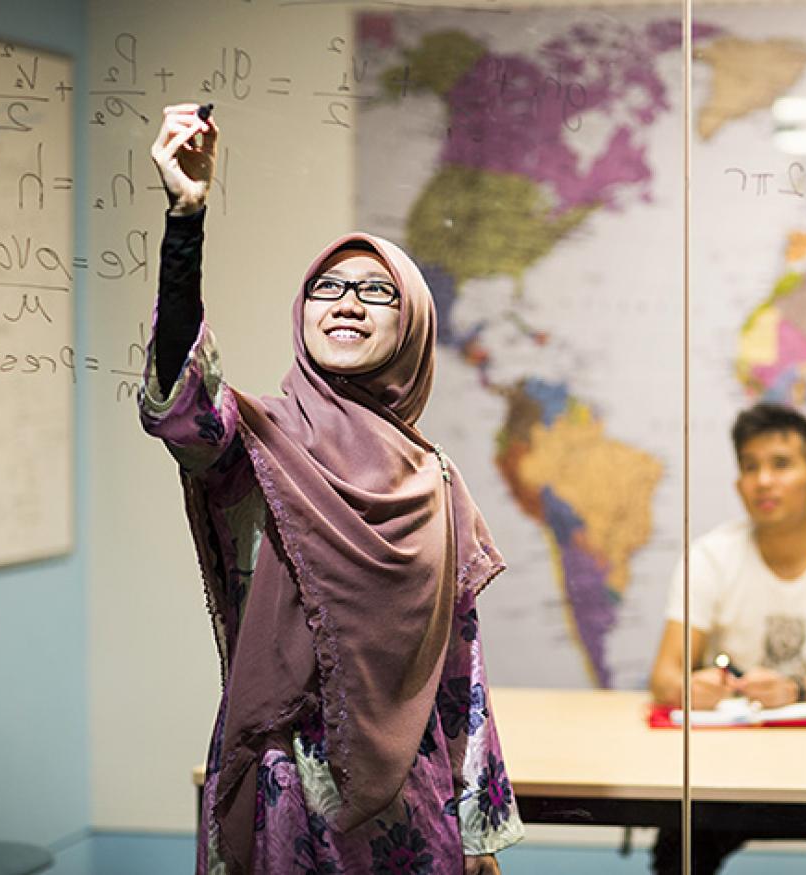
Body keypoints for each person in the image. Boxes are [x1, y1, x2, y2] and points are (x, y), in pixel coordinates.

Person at [140, 104, 523, 875]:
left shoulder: (436, 479)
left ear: (412, 324)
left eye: (377, 292)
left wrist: (478, 833)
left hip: (405, 808)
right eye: (328, 286)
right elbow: (180, 407)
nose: (347, 302)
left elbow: (459, 672)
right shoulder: (252, 440)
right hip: (280, 787)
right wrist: (186, 220)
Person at [647, 402, 806, 874]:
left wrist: (795, 691)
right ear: (739, 485)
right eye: (750, 467)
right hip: (727, 756)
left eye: (781, 464)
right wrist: (691, 687)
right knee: (677, 854)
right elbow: (665, 675)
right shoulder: (708, 557)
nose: (764, 480)